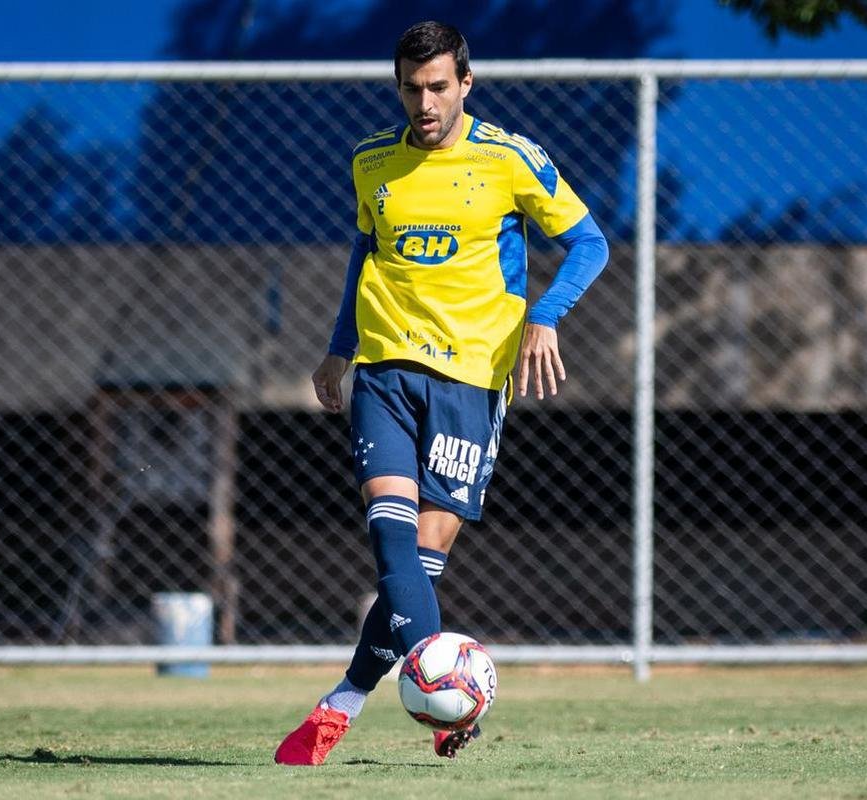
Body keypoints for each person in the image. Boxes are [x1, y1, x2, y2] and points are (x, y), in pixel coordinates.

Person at [274, 20, 608, 766]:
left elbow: (590, 242)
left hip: (472, 380)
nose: (422, 103)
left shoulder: (511, 158)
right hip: (385, 372)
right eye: (409, 88)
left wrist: (543, 318)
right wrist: (338, 352)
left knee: (419, 566)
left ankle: (344, 700)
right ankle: (444, 691)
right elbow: (365, 254)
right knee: (389, 537)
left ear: (464, 83)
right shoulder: (370, 162)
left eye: (436, 87)